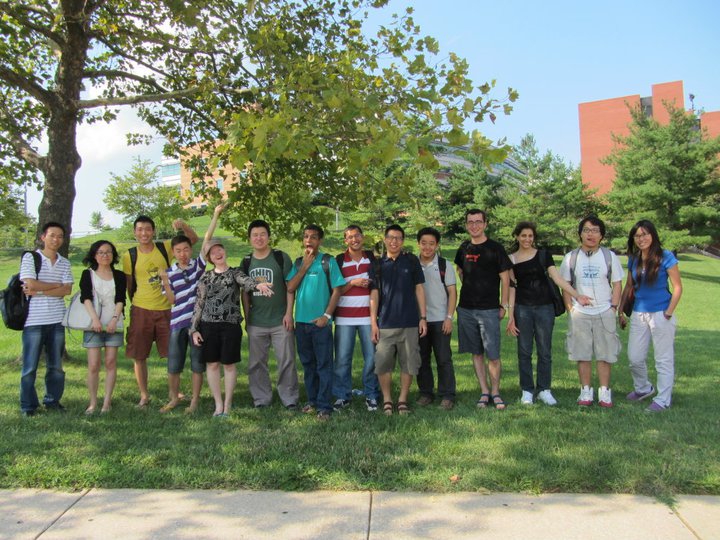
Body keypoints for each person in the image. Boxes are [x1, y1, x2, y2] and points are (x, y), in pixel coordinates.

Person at [505, 222, 591, 406]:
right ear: (517, 237)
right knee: (524, 351)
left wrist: (577, 295)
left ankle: (544, 390)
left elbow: (557, 278)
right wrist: (510, 316)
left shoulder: (544, 255)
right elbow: (511, 288)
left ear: (534, 237)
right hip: (523, 309)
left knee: (545, 351)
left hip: (545, 308)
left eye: (530, 236)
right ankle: (527, 391)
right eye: (523, 236)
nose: (527, 239)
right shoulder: (510, 259)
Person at [190, 228, 273, 417]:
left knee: (228, 365)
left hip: (230, 326)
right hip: (208, 326)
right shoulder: (205, 277)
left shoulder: (235, 273)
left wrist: (258, 285)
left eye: (220, 250)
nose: (218, 253)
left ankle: (227, 405)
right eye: (213, 252)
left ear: (225, 252)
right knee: (212, 365)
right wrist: (194, 329)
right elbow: (199, 304)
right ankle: (218, 404)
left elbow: (247, 281)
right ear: (210, 257)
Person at [123, 215, 198, 407]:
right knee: (139, 355)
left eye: (148, 229)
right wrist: (137, 303)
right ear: (134, 232)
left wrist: (182, 225)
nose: (144, 233)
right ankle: (144, 395)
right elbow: (129, 284)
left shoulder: (164, 248)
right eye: (140, 229)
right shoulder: (129, 255)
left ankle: (175, 392)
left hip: (167, 309)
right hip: (141, 309)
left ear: (153, 231)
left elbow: (192, 240)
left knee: (172, 353)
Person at [158, 204, 224, 413]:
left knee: (197, 364)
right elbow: (170, 300)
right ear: (173, 252)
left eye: (186, 249)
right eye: (178, 250)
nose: (183, 253)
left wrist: (215, 215)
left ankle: (194, 401)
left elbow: (206, 239)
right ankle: (173, 398)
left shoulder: (197, 266)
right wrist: (165, 282)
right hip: (177, 323)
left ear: (190, 249)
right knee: (174, 364)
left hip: (197, 324)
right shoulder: (168, 273)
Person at [559, 215, 623, 408]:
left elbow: (617, 284)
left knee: (605, 354)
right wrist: (570, 309)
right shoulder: (571, 257)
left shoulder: (609, 256)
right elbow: (566, 285)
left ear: (601, 235)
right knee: (582, 353)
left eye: (595, 231)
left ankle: (604, 392)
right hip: (580, 313)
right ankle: (585, 391)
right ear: (580, 234)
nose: (591, 234)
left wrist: (613, 307)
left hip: (605, 311)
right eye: (587, 230)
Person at [618, 220, 682, 412]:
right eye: (637, 236)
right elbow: (629, 286)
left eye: (645, 234)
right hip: (639, 313)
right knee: (634, 357)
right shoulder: (634, 259)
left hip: (661, 313)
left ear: (653, 235)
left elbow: (678, 287)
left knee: (663, 359)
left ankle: (663, 399)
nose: (641, 239)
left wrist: (668, 313)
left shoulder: (666, 257)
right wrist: (620, 310)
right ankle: (644, 388)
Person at [286, 224, 346, 421]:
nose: (309, 240)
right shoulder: (297, 263)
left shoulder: (327, 261)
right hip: (301, 324)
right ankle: (312, 401)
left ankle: (324, 406)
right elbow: (290, 287)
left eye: (313, 237)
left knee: (324, 365)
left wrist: (326, 316)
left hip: (320, 324)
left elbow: (337, 289)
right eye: (306, 237)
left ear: (319, 240)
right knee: (308, 364)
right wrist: (303, 268)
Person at [454, 209, 512, 410]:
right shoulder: (463, 248)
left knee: (493, 354)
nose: (474, 225)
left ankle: (496, 392)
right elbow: (460, 270)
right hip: (466, 309)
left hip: (489, 309)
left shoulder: (495, 248)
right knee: (476, 352)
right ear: (466, 224)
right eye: (470, 222)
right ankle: (484, 391)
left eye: (478, 222)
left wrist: (503, 305)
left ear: (485, 224)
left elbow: (506, 278)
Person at [241, 218, 299, 409]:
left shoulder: (280, 257)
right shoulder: (246, 261)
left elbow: (290, 288)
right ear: (249, 238)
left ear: (269, 237)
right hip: (257, 321)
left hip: (280, 319)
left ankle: (289, 398)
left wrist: (289, 314)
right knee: (256, 363)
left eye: (262, 234)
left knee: (287, 361)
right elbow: (245, 293)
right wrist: (248, 318)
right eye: (255, 235)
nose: (259, 238)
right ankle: (261, 399)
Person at [370, 224, 427, 416]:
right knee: (383, 363)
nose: (394, 241)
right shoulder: (378, 264)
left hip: (410, 322)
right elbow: (374, 294)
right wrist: (373, 323)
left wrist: (423, 318)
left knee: (409, 363)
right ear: (385, 239)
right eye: (391, 237)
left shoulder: (411, 261)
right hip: (385, 323)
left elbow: (419, 289)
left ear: (403, 241)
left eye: (398, 238)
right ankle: (387, 399)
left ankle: (402, 399)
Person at [19, 222, 73, 416]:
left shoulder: (65, 262)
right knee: (30, 366)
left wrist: (39, 290)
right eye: (52, 235)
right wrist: (54, 286)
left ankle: (52, 400)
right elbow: (29, 283)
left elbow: (66, 290)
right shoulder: (30, 258)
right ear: (43, 237)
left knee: (56, 366)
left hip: (57, 320)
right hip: (33, 320)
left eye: (60, 236)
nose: (56, 239)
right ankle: (28, 405)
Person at [332, 225, 380, 412]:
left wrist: (375, 319)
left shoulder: (372, 260)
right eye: (350, 237)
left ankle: (371, 394)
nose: (354, 239)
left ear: (363, 237)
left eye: (357, 236)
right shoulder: (339, 261)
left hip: (368, 318)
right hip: (344, 318)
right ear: (345, 240)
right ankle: (343, 395)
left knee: (372, 358)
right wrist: (352, 282)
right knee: (343, 358)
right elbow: (336, 290)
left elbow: (376, 288)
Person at [79, 240, 126, 414]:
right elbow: (86, 298)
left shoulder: (119, 276)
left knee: (111, 363)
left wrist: (114, 319)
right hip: (93, 325)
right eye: (100, 252)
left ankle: (107, 402)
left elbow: (121, 299)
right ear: (94, 255)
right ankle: (92, 403)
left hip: (114, 324)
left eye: (108, 252)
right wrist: (95, 320)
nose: (104, 255)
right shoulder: (88, 274)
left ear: (113, 255)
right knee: (93, 365)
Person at [416, 227, 457, 410]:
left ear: (437, 245)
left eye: (431, 243)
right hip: (419, 320)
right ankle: (426, 393)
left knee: (443, 358)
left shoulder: (444, 265)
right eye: (424, 243)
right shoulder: (412, 264)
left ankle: (447, 395)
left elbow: (452, 292)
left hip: (440, 318)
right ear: (418, 244)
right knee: (422, 358)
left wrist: (449, 317)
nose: (427, 247)